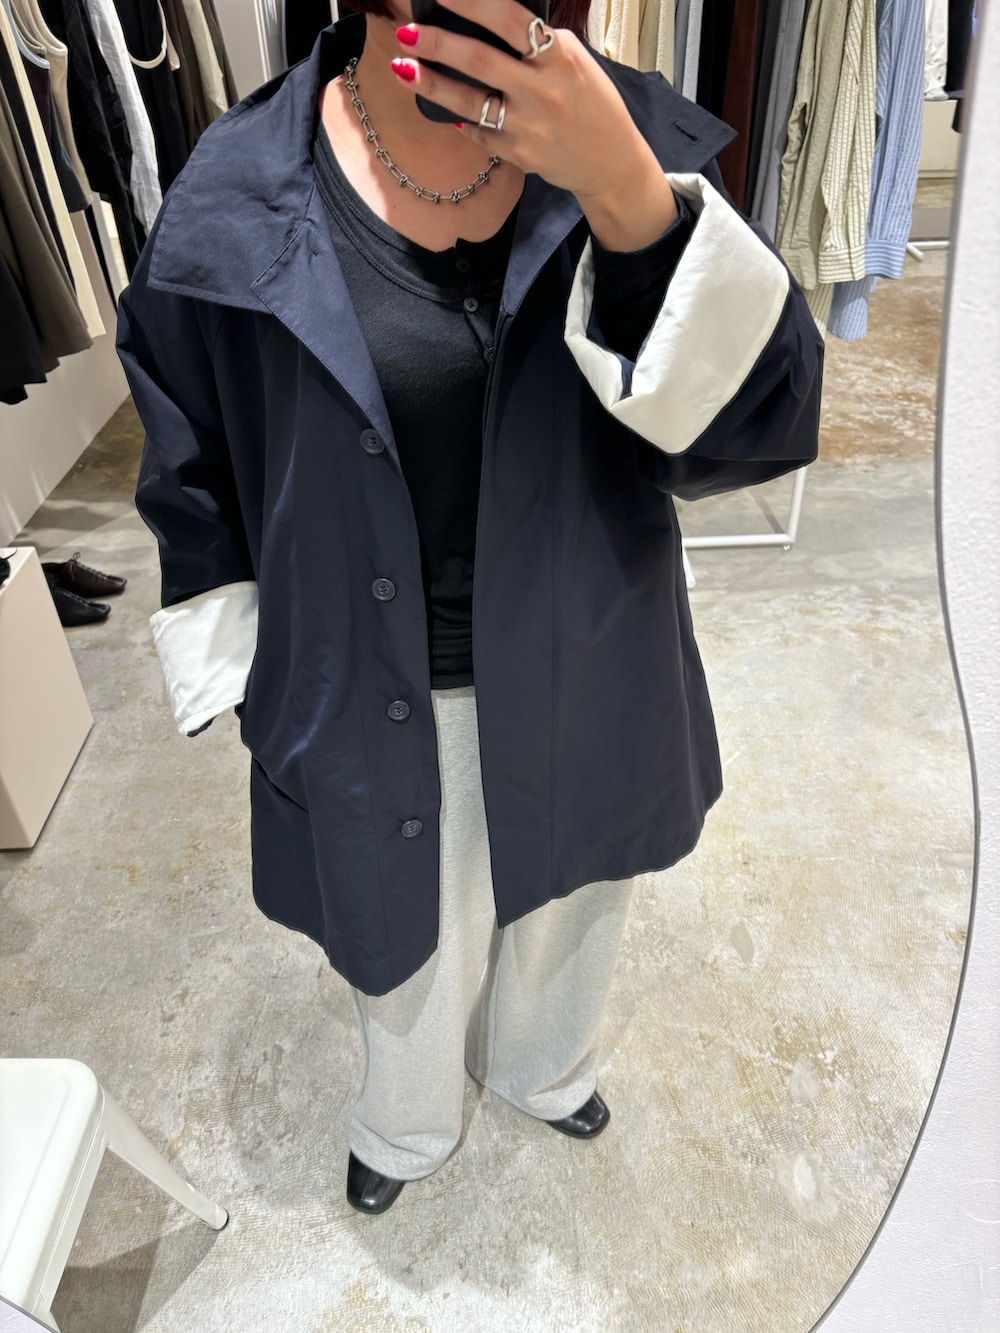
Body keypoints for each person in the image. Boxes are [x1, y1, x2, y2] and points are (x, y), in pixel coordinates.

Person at [116, 0, 823, 1215]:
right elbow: (193, 462)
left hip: (587, 636)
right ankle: (405, 1122)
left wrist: (626, 194)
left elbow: (759, 427)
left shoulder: (627, 140)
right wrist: (252, 672)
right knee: (400, 932)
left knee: (574, 899)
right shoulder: (238, 189)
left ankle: (544, 1067)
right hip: (368, 664)